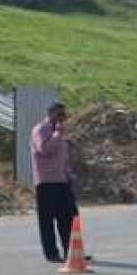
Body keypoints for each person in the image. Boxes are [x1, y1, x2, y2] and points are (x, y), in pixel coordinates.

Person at [30, 102, 79, 262]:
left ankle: (72, 250)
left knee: (70, 216)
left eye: (64, 115)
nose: (62, 118)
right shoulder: (40, 130)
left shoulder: (60, 133)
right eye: (59, 115)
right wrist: (57, 135)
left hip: (61, 180)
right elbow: (44, 149)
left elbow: (63, 158)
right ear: (50, 114)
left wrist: (69, 175)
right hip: (46, 182)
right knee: (47, 220)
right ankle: (51, 253)